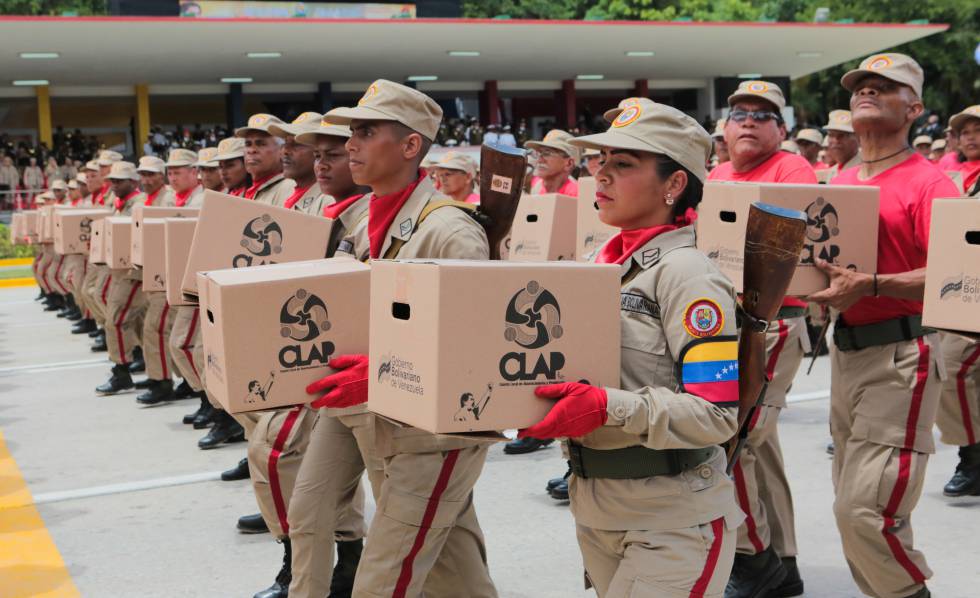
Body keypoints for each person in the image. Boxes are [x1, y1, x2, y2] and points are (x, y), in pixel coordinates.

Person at [520, 98, 741, 598]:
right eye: (600, 162)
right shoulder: (601, 264)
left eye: (623, 165)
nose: (600, 175)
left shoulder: (688, 274)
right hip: (599, 507)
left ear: (674, 183)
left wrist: (605, 405)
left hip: (670, 520)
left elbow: (717, 414)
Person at [292, 81, 497, 598]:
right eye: (351, 133)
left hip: (430, 429)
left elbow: (474, 345)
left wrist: (379, 367)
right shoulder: (360, 220)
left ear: (410, 147)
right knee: (309, 513)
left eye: (365, 132)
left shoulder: (450, 231)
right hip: (365, 406)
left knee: (386, 577)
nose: (351, 145)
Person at [807, 53, 960, 598]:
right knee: (862, 509)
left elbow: (956, 273)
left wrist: (872, 285)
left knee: (864, 512)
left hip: (903, 357)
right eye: (861, 87)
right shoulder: (841, 179)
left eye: (884, 87)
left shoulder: (931, 183)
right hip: (846, 356)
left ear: (914, 108)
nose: (866, 92)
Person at [708, 79, 815, 598]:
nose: (749, 121)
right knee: (760, 444)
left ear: (783, 127)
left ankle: (756, 563)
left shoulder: (792, 170)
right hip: (731, 319)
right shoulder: (718, 173)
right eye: (739, 113)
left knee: (741, 437)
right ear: (724, 127)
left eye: (763, 114)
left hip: (773, 322)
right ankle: (783, 559)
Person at [95, 161, 148, 396]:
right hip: (122, 270)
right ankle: (137, 360)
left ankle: (121, 370)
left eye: (119, 181)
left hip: (134, 272)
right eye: (112, 181)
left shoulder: (139, 204)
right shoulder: (122, 203)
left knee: (115, 320)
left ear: (133, 182)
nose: (114, 185)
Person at [268, 112, 328, 215]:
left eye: (296, 144)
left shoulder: (327, 201)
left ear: (319, 151)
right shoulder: (286, 193)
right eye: (285, 143)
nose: (285, 151)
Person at [235, 113, 296, 204]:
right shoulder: (253, 189)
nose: (252, 150)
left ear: (281, 150)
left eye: (260, 144)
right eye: (248, 144)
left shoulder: (289, 188)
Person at [526, 129, 580, 195]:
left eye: (547, 153)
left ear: (569, 163)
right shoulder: (536, 187)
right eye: (538, 153)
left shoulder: (577, 194)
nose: (539, 160)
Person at [948, 105, 980, 195]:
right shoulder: (947, 178)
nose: (971, 137)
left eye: (978, 130)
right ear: (959, 143)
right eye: (965, 132)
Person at [824, 109, 861, 174]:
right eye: (831, 135)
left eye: (842, 135)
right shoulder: (831, 173)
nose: (835, 140)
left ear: (858, 138)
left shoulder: (866, 169)